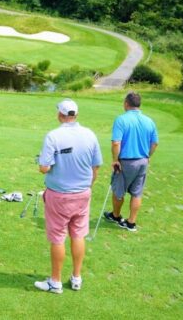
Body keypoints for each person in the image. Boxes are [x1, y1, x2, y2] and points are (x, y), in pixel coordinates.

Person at [35, 99, 102, 294]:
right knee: (78, 234)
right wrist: (88, 186)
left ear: (60, 115)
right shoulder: (90, 134)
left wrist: (44, 160)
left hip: (59, 195)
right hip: (83, 193)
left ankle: (55, 282)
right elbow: (96, 167)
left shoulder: (53, 136)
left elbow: (44, 168)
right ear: (76, 115)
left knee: (58, 238)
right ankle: (76, 278)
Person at [104, 92, 158, 232]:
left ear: (126, 103)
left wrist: (115, 160)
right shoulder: (149, 121)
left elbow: (116, 143)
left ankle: (116, 216)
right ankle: (131, 223)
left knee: (118, 191)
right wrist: (148, 156)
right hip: (142, 161)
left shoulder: (121, 120)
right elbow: (154, 143)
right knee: (137, 193)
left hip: (126, 162)